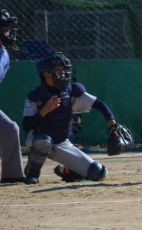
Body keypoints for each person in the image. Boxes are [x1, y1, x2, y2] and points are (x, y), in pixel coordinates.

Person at [22, 52, 119, 185]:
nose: (62, 74)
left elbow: (99, 104)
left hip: (62, 143)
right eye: (57, 70)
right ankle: (32, 173)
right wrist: (45, 110)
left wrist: (112, 124)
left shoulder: (70, 92)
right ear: (46, 74)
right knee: (43, 141)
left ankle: (66, 170)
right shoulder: (36, 96)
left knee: (98, 173)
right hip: (38, 141)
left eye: (63, 70)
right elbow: (26, 125)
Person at [0, 10, 26, 184]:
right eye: (4, 28)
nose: (8, 32)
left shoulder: (3, 54)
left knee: (10, 130)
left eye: (8, 28)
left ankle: (12, 175)